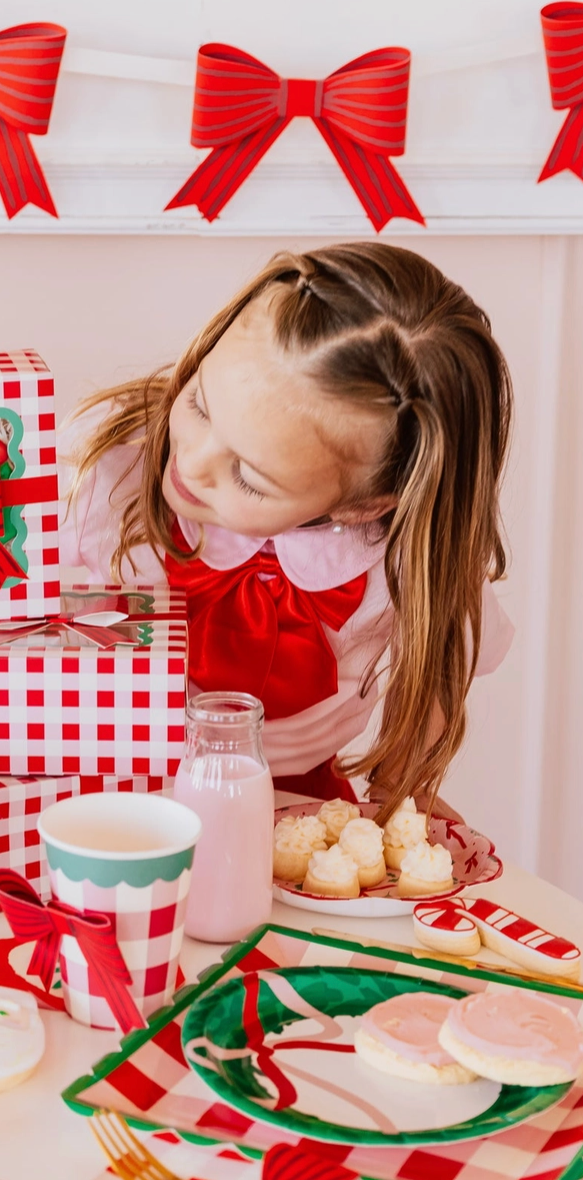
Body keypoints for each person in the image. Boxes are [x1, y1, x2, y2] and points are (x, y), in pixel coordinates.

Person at [61, 243, 514, 819]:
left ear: (364, 506)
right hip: (116, 793)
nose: (193, 462)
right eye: (200, 403)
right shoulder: (114, 472)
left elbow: (443, 651)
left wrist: (403, 792)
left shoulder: (396, 563)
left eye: (249, 477)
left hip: (289, 806)